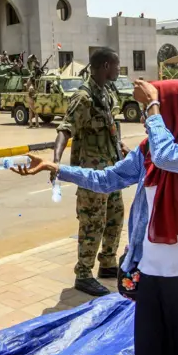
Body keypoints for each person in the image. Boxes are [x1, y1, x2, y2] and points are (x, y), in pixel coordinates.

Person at [13, 79, 178, 355]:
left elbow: (168, 156)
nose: (146, 116)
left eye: (154, 108)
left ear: (174, 110)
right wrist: (57, 168)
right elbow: (107, 179)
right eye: (148, 109)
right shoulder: (147, 151)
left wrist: (154, 106)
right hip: (153, 271)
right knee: (152, 352)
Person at [53, 47, 126, 297]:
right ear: (106, 66)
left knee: (115, 216)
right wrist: (56, 162)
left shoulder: (105, 92)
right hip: (92, 174)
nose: (118, 70)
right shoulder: (84, 97)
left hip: (111, 170)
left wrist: (120, 146)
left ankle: (107, 263)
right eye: (116, 65)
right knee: (92, 222)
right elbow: (65, 129)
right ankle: (83, 274)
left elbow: (109, 126)